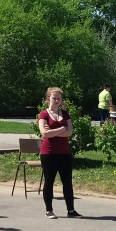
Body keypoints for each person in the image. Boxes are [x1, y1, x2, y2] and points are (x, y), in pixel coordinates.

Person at [38, 87, 81, 219]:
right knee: (49, 181)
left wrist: (54, 131)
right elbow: (44, 133)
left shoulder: (65, 114)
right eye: (54, 98)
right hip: (48, 153)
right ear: (48, 99)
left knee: (67, 181)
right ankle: (49, 210)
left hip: (64, 153)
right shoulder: (43, 114)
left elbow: (69, 132)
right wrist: (61, 129)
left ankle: (71, 210)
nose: (56, 100)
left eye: (59, 98)